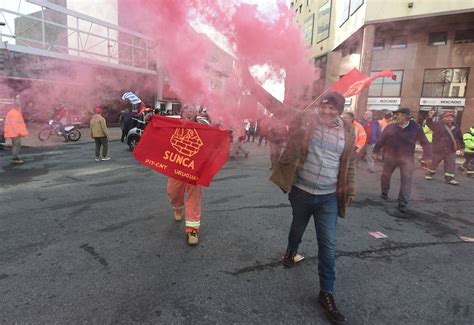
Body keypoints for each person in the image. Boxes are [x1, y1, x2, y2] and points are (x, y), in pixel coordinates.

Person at [270, 91, 355, 324]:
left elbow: (349, 163)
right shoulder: (306, 120)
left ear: (339, 111)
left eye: (332, 109)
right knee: (297, 226)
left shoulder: (348, 130)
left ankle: (326, 293)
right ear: (319, 106)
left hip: (328, 197)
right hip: (301, 191)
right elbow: (275, 105)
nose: (326, 112)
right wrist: (247, 79)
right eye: (324, 106)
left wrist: (351, 189)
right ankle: (290, 252)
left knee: (328, 244)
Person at [372, 108, 431, 213]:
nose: (395, 117)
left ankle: (402, 203)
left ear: (405, 116)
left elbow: (425, 142)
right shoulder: (390, 127)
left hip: (407, 158)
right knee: (385, 175)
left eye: (397, 115)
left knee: (406, 180)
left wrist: (427, 156)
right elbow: (381, 140)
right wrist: (375, 151)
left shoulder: (416, 128)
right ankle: (384, 192)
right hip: (390, 156)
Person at [167, 105, 208, 246]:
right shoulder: (172, 126)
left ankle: (192, 230)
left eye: (192, 109)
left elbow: (215, 138)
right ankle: (178, 207)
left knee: (194, 198)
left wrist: (227, 133)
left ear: (196, 113)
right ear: (181, 112)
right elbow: (158, 132)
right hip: (176, 168)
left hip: (196, 170)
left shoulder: (203, 127)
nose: (189, 111)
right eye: (186, 108)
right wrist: (150, 120)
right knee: (173, 192)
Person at [425, 111, 464, 185]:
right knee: (434, 162)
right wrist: (430, 117)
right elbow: (429, 124)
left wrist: (462, 147)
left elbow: (459, 137)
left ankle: (450, 178)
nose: (449, 119)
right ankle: (429, 174)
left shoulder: (456, 127)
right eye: (447, 117)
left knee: (451, 163)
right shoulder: (438, 124)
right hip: (438, 148)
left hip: (450, 149)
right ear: (443, 118)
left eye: (451, 117)